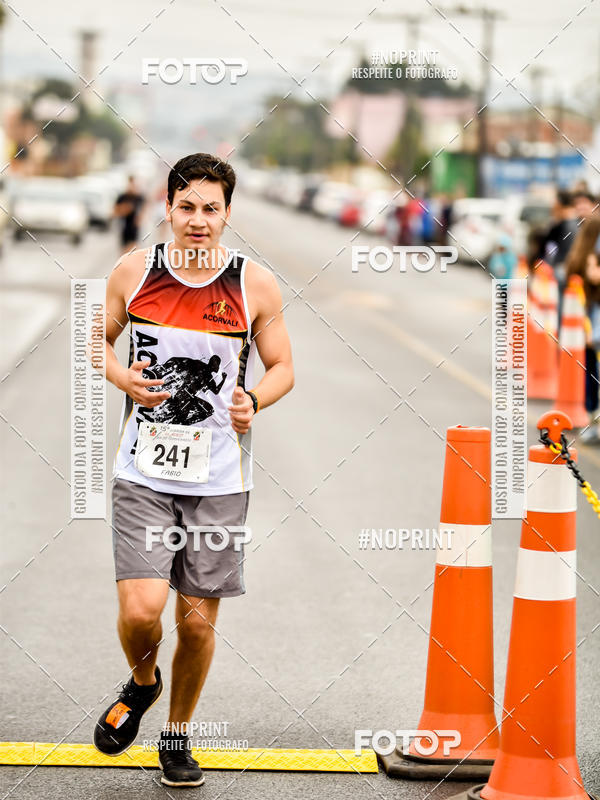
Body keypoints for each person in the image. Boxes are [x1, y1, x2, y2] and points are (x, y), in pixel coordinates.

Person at [94, 153, 294, 787]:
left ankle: (177, 736)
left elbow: (284, 366)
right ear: (168, 207)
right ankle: (143, 681)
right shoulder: (134, 271)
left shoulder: (254, 285)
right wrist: (121, 373)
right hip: (144, 471)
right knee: (141, 610)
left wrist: (253, 400)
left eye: (212, 209)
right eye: (187, 207)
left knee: (197, 622)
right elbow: (93, 337)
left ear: (228, 214)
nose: (198, 221)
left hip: (218, 481)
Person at [565, 215, 600, 443]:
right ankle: (592, 421)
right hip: (590, 334)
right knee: (591, 377)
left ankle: (591, 419)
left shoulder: (577, 261)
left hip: (584, 333)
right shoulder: (588, 261)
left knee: (589, 378)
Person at [114, 175, 145, 254]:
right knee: (124, 252)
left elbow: (144, 208)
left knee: (134, 250)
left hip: (134, 227)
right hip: (124, 226)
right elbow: (114, 211)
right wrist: (125, 209)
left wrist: (140, 218)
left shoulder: (138, 197)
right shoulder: (123, 196)